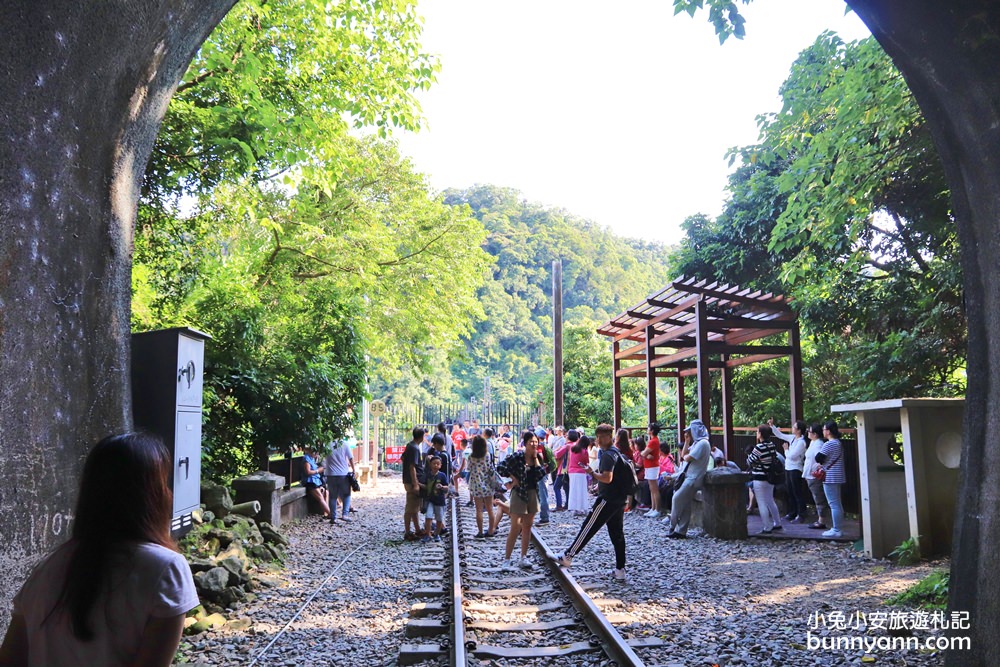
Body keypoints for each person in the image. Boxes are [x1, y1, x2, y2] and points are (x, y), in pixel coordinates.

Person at [0, 433, 199, 667]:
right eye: (163, 483)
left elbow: (9, 660)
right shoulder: (166, 569)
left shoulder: (48, 567)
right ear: (152, 495)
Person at [551, 424, 632, 581]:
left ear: (611, 436)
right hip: (619, 499)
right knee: (617, 534)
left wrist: (592, 473)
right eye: (598, 437)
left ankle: (568, 555)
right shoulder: (616, 452)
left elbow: (607, 478)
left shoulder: (608, 454)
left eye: (604, 436)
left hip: (607, 499)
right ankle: (620, 569)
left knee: (588, 526)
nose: (600, 440)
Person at [496, 430, 547, 570]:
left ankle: (523, 557)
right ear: (525, 443)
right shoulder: (517, 456)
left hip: (532, 493)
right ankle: (507, 559)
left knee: (527, 526)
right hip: (518, 493)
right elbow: (500, 467)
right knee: (515, 526)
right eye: (531, 441)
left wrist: (536, 459)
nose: (534, 444)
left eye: (536, 442)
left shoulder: (538, 458)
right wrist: (512, 477)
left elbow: (540, 475)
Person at [666, 420, 712, 538]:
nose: (689, 433)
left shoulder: (703, 443)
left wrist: (686, 456)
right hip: (690, 477)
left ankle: (672, 525)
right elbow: (683, 455)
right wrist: (686, 441)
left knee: (676, 498)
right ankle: (681, 531)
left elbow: (688, 458)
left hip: (694, 478)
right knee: (685, 504)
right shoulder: (697, 443)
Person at [746, 424, 784, 534]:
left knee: (762, 502)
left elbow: (750, 461)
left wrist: (749, 455)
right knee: (770, 500)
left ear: (761, 434)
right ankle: (777, 523)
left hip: (759, 477)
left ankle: (767, 526)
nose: (757, 433)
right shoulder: (772, 445)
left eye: (757, 431)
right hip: (770, 476)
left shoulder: (759, 447)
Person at [769, 418, 808, 522]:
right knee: (790, 492)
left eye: (794, 427)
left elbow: (792, 456)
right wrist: (772, 426)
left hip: (796, 469)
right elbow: (780, 435)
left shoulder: (801, 442)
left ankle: (801, 514)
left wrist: (786, 450)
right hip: (788, 468)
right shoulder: (793, 438)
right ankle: (792, 513)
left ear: (799, 430)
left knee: (797, 492)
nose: (792, 428)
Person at [817, 421, 847, 538]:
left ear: (828, 431)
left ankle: (836, 529)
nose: (823, 432)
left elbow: (818, 458)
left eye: (824, 429)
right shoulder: (838, 443)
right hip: (837, 475)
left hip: (830, 477)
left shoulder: (829, 444)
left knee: (833, 504)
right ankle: (838, 527)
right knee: (837, 503)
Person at [466, 435, 500, 537]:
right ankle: (490, 531)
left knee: (479, 510)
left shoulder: (471, 457)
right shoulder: (487, 455)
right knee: (490, 509)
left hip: (476, 485)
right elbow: (490, 469)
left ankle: (480, 532)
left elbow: (469, 469)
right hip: (488, 485)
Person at [802, 424, 830, 529]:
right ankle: (820, 519)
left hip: (814, 476)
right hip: (810, 475)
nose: (807, 433)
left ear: (815, 434)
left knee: (819, 498)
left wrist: (815, 469)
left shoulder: (818, 444)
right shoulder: (813, 442)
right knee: (816, 497)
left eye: (809, 431)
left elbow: (820, 459)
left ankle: (821, 521)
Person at [401, 427, 426, 541]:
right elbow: (412, 467)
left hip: (409, 480)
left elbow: (403, 458)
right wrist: (415, 483)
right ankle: (407, 531)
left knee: (414, 506)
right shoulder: (415, 448)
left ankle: (417, 529)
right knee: (410, 507)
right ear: (422, 437)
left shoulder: (410, 445)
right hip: (412, 481)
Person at [324, 437, 356, 523]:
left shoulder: (327, 444)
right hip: (343, 474)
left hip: (330, 474)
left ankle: (333, 517)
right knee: (346, 495)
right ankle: (345, 515)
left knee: (332, 496)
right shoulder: (344, 444)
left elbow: (323, 458)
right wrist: (354, 469)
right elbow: (351, 458)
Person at [421, 456, 449, 543]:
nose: (435, 465)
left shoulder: (442, 475)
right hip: (430, 500)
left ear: (440, 465)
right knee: (428, 516)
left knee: (439, 518)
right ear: (430, 464)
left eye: (438, 464)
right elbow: (425, 486)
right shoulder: (428, 475)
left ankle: (437, 534)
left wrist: (442, 487)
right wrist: (418, 484)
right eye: (434, 463)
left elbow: (447, 487)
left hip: (439, 501)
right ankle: (428, 534)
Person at [302, 444, 331, 519]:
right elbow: (308, 472)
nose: (317, 454)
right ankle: (330, 514)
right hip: (310, 482)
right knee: (320, 497)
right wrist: (318, 470)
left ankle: (326, 513)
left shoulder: (312, 459)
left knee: (325, 492)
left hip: (316, 481)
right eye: (316, 453)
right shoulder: (306, 459)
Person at [565, 430, 591, 514]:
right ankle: (582, 507)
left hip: (571, 471)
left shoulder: (573, 449)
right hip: (581, 472)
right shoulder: (584, 451)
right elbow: (586, 462)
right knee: (582, 490)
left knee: (573, 489)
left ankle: (573, 507)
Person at [640, 423, 663, 517]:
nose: (647, 429)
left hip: (652, 466)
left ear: (652, 430)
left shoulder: (653, 441)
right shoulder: (653, 441)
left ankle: (657, 509)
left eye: (648, 428)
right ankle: (653, 508)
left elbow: (643, 453)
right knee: (652, 488)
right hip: (650, 466)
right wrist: (646, 454)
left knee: (654, 489)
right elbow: (645, 454)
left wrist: (645, 454)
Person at [534, 427, 555, 525]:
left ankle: (544, 518)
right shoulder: (545, 445)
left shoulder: (539, 447)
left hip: (540, 473)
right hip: (545, 472)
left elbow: (540, 458)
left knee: (543, 495)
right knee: (542, 494)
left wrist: (539, 465)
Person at [551, 426, 570, 511]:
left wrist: (553, 452)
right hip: (568, 468)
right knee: (566, 486)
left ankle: (559, 505)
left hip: (563, 468)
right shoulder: (574, 445)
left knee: (556, 487)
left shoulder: (566, 446)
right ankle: (567, 503)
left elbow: (557, 455)